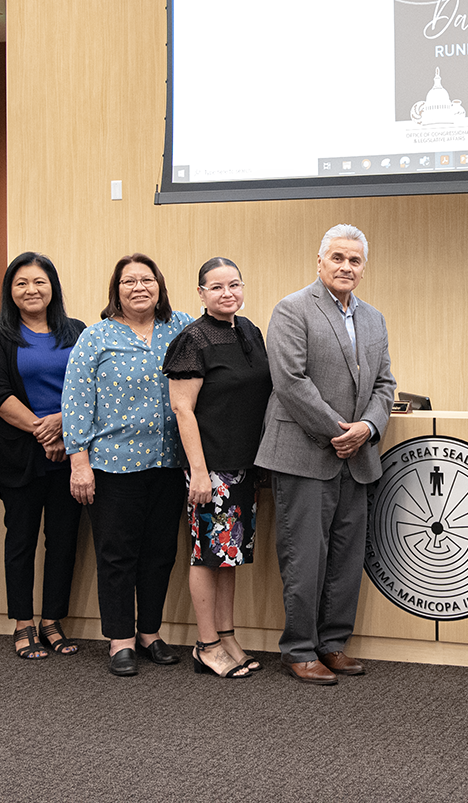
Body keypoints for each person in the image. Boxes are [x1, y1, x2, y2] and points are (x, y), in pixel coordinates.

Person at [256, 224, 395, 685]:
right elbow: (291, 382)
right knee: (305, 556)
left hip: (355, 457)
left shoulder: (373, 318)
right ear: (320, 262)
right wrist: (341, 432)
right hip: (304, 453)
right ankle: (299, 648)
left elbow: (385, 385)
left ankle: (332, 644)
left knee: (346, 557)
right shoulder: (293, 309)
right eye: (337, 258)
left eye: (354, 260)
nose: (346, 267)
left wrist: (368, 428)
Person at [62, 254, 193, 677]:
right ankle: (120, 638)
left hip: (170, 461)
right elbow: (77, 402)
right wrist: (79, 462)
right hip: (113, 466)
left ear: (160, 286)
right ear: (116, 290)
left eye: (147, 279)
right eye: (129, 281)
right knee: (117, 554)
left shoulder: (182, 329)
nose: (139, 287)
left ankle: (150, 633)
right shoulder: (96, 337)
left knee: (159, 553)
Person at [164, 257, 273, 679]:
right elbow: (182, 408)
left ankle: (227, 636)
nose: (227, 294)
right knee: (207, 556)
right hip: (210, 469)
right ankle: (206, 645)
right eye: (217, 287)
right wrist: (199, 472)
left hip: (244, 465)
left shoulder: (249, 331)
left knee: (229, 556)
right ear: (201, 293)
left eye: (235, 285)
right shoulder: (192, 339)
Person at [0, 252, 87, 660]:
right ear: (10, 290)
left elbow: (91, 390)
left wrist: (62, 425)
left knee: (63, 541)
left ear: (52, 286)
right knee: (20, 539)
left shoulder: (78, 331)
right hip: (19, 455)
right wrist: (44, 431)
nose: (31, 290)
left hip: (71, 456)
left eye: (39, 281)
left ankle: (53, 620)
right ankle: (23, 623)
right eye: (21, 283)